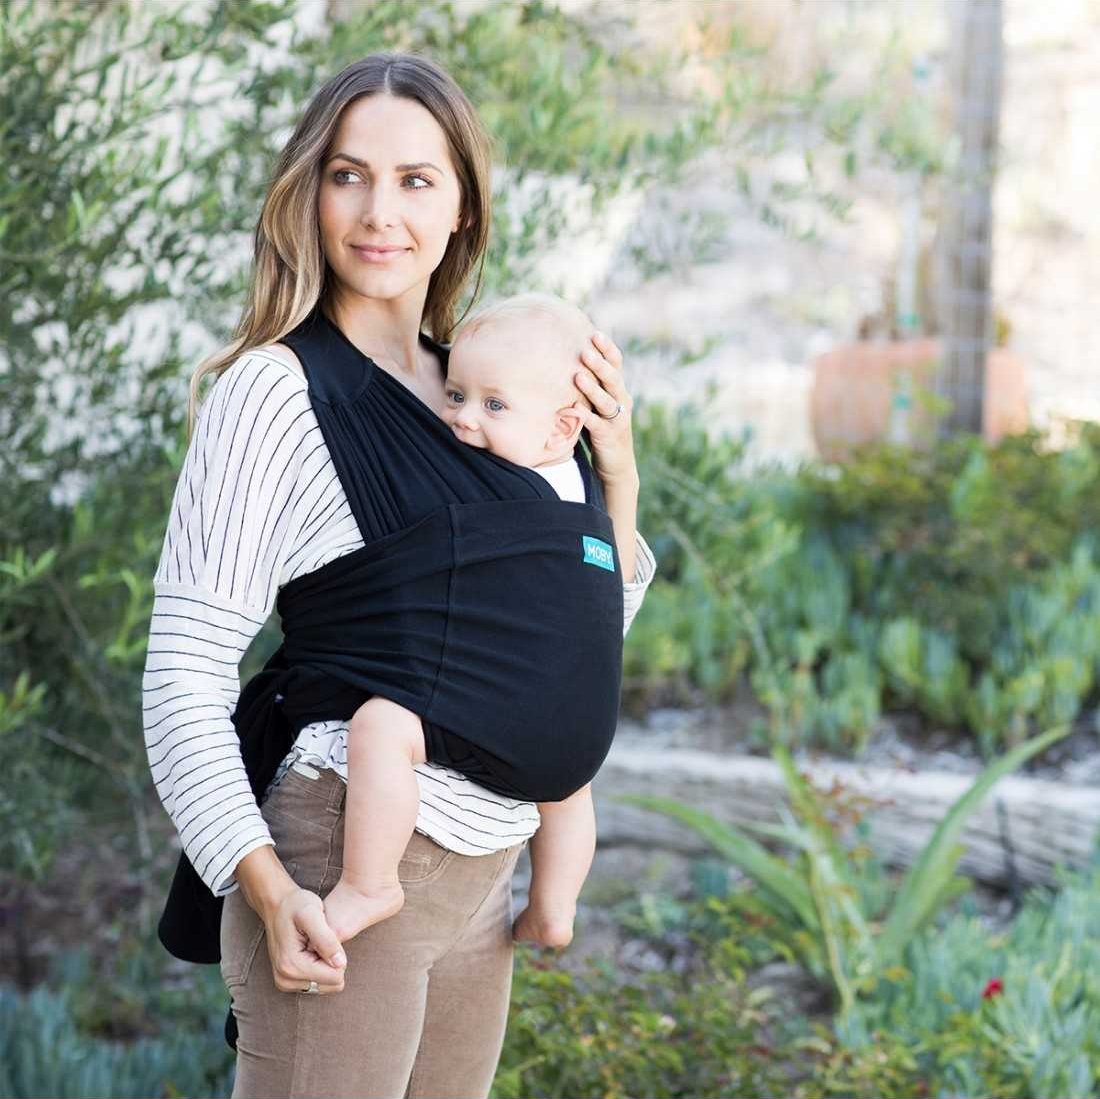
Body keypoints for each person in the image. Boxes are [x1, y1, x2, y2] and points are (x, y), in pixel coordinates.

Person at [143, 52, 655, 1099]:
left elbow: (561, 650)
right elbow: (184, 675)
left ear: (462, 206)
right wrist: (265, 881)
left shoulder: (486, 387)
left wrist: (618, 481)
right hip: (341, 858)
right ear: (309, 191)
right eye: (347, 174)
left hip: (483, 878)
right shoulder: (274, 391)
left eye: (416, 179)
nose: (378, 211)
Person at [327, 291, 626, 950]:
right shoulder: (586, 494)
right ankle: (554, 906)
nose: (463, 420)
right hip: (581, 731)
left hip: (501, 707)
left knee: (380, 725)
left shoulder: (489, 489)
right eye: (456, 394)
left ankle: (370, 880)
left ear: (559, 427)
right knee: (568, 792)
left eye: (494, 405)